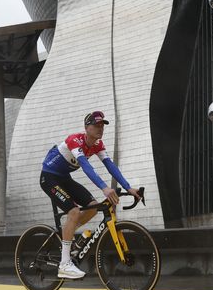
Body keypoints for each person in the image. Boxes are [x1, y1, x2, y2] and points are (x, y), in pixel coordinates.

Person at [40, 110, 140, 279]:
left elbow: (110, 166)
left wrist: (129, 187)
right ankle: (64, 264)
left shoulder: (98, 145)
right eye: (96, 125)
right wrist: (104, 187)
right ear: (87, 127)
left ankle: (68, 234)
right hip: (49, 177)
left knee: (94, 207)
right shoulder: (75, 140)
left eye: (102, 125)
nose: (100, 129)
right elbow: (86, 166)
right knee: (73, 211)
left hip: (64, 178)